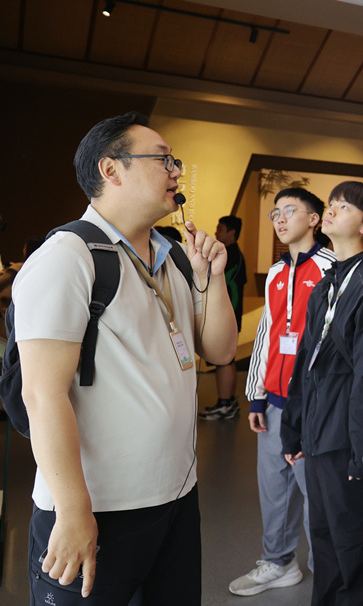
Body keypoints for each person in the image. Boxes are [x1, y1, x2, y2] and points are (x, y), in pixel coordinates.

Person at [15, 111, 238, 602]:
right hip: (98, 507)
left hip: (176, 496)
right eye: (163, 160)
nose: (176, 172)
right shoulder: (68, 256)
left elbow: (220, 350)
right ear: (110, 169)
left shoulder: (173, 256)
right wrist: (73, 512)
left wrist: (212, 276)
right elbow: (42, 394)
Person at [280, 181, 363, 606]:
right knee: (325, 543)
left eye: (345, 206)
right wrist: (294, 429)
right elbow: (307, 361)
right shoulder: (331, 281)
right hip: (322, 434)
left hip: (350, 442)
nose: (332, 210)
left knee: (357, 550)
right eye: (332, 203)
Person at [231, 188, 335, 596]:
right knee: (275, 489)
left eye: (290, 210)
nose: (280, 218)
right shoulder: (276, 272)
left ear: (314, 219)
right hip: (274, 401)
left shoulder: (332, 268)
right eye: (275, 212)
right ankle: (278, 561)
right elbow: (267, 337)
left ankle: (325, 570)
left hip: (314, 406)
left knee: (315, 492)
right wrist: (256, 395)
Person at [200, 215, 247, 420]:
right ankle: (227, 401)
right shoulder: (230, 254)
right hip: (227, 315)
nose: (216, 232)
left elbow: (228, 287)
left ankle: (225, 404)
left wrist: (228, 318)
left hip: (228, 316)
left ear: (231, 232)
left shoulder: (232, 255)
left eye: (220, 229)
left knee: (224, 360)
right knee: (226, 360)